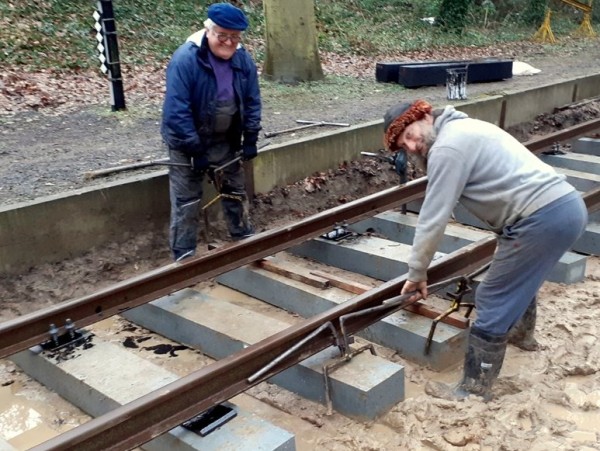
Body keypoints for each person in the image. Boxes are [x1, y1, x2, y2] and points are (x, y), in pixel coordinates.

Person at [383, 99, 588, 401]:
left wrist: (417, 272)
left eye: (409, 136)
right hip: (564, 207)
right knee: (516, 278)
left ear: (425, 116)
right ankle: (521, 336)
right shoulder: (464, 127)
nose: (411, 147)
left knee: (492, 296)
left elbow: (432, 218)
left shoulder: (447, 148)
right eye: (403, 146)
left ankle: (473, 390)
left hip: (540, 218)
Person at [161, 2, 261, 261]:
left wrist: (250, 136)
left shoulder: (242, 59)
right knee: (187, 201)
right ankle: (184, 257)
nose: (228, 42)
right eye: (222, 35)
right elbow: (176, 110)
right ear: (209, 31)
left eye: (234, 37)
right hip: (188, 142)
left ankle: (243, 239)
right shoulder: (186, 59)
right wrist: (194, 149)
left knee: (235, 191)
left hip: (225, 139)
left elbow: (252, 99)